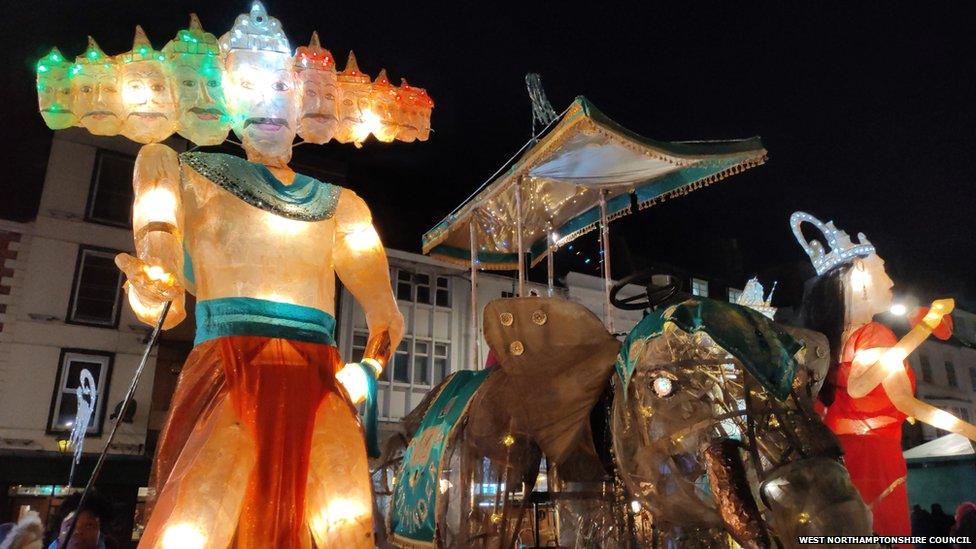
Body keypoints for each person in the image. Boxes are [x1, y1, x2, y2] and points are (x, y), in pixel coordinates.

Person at [127, 4, 402, 548]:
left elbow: (386, 317)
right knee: (195, 525)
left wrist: (364, 374)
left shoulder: (344, 207)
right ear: (223, 97)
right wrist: (148, 284)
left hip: (320, 380)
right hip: (231, 368)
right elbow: (162, 295)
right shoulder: (177, 171)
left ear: (305, 99)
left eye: (282, 83)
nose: (270, 99)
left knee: (349, 527)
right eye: (250, 82)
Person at [792, 211, 973, 542]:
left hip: (834, 457)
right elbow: (868, 388)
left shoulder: (829, 341)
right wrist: (924, 327)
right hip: (875, 458)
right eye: (883, 270)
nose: (890, 281)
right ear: (860, 273)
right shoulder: (873, 334)